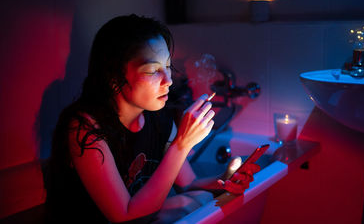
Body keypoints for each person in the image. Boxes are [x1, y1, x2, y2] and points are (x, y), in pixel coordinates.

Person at [45, 14, 260, 224]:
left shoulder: (158, 118)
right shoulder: (85, 127)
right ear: (113, 78)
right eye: (152, 71)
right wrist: (181, 145)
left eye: (167, 67)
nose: (168, 81)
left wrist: (224, 181)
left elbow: (189, 184)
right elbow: (124, 216)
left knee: (200, 199)